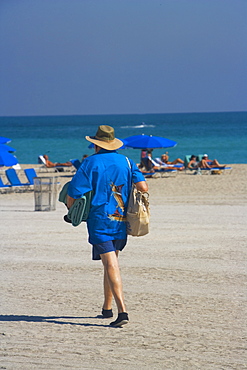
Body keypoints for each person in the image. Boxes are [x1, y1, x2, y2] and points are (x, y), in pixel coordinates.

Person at [66, 125, 148, 327]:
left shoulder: (90, 163)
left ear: (96, 145)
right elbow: (143, 187)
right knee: (110, 263)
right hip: (121, 221)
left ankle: (123, 312)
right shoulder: (127, 161)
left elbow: (73, 194)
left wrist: (72, 212)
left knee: (111, 264)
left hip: (100, 221)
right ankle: (106, 308)